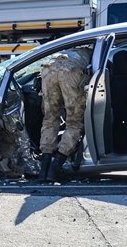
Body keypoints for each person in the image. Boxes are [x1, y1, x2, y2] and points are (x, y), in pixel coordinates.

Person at [37, 46, 91, 181]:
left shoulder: (69, 48)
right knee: (74, 122)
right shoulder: (91, 51)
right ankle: (55, 169)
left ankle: (43, 170)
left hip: (49, 68)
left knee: (50, 119)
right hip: (71, 71)